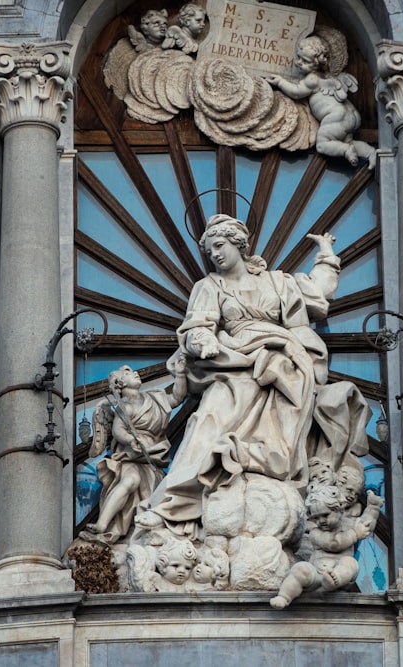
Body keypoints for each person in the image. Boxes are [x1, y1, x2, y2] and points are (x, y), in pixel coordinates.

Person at [139, 213, 349, 539]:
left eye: (220, 246)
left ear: (238, 243)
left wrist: (326, 256)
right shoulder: (208, 286)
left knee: (277, 431)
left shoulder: (279, 282)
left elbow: (317, 297)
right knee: (207, 419)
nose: (216, 255)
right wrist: (204, 341)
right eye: (210, 252)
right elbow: (197, 326)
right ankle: (172, 505)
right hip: (231, 364)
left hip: (281, 363)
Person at [80, 356, 187, 545]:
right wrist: (131, 440)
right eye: (128, 372)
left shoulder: (155, 398)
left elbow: (177, 397)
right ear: (119, 383)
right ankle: (102, 525)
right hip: (131, 456)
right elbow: (117, 430)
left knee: (152, 495)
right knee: (131, 480)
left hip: (152, 458)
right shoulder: (124, 408)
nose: (135, 372)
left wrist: (179, 374)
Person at [265, 36, 376, 168]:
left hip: (335, 116)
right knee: (348, 141)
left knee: (322, 144)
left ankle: (345, 151)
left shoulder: (312, 80)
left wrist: (280, 82)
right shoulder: (328, 77)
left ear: (318, 64)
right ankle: (371, 153)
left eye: (305, 61)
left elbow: (296, 92)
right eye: (299, 57)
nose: (299, 63)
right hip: (351, 116)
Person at [269, 485, 384, 609]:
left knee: (350, 563)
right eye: (316, 518)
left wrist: (373, 508)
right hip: (317, 575)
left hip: (341, 577)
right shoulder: (315, 533)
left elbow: (367, 525)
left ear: (339, 509)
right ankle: (284, 596)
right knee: (300, 569)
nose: (321, 521)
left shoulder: (350, 524)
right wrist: (355, 534)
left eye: (325, 515)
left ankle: (333, 581)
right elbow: (333, 544)